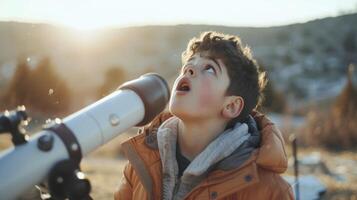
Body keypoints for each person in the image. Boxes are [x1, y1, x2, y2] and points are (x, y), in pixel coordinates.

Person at [114, 31, 294, 200]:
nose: (190, 69)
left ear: (231, 106)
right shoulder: (143, 161)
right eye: (188, 65)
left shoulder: (270, 191)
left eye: (209, 69)